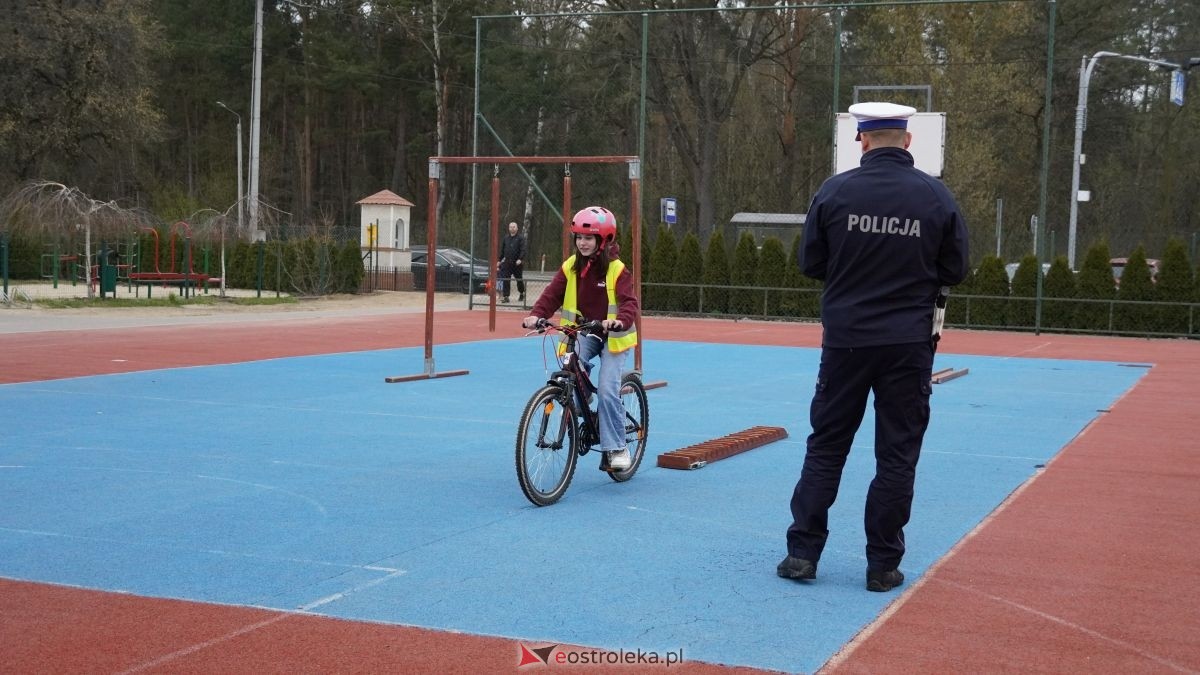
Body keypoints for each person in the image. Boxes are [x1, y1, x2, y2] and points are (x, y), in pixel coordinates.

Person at [777, 102, 970, 592]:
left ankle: (802, 554)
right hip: (908, 343)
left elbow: (810, 263)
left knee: (827, 446)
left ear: (862, 140)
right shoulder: (935, 196)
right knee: (897, 455)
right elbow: (956, 269)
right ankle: (882, 565)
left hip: (846, 340)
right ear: (908, 140)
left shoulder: (835, 191)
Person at [522, 206, 640, 470]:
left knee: (608, 390)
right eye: (579, 237)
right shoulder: (571, 267)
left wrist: (619, 320)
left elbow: (629, 303)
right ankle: (581, 397)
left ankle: (617, 447)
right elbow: (552, 294)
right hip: (585, 331)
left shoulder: (617, 270)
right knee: (569, 369)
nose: (582, 243)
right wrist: (536, 315)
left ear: (603, 241)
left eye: (588, 238)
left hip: (613, 336)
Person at [499, 221, 528, 302]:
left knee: (519, 279)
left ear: (517, 228)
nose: (512, 228)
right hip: (507, 263)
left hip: (517, 263)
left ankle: (522, 293)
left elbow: (523, 250)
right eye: (511, 227)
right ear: (509, 228)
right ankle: (506, 296)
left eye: (514, 227)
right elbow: (502, 251)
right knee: (506, 279)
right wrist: (499, 260)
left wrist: (520, 259)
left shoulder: (520, 238)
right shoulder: (506, 238)